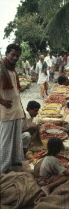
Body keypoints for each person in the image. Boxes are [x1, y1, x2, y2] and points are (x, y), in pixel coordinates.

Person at [0, 43, 25, 173]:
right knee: (5, 142)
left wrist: (21, 109)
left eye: (17, 56)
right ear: (7, 54)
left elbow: (16, 90)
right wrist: (2, 101)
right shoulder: (1, 68)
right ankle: (2, 169)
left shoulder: (12, 69)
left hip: (16, 110)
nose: (15, 58)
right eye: (13, 55)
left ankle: (15, 162)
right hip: (6, 111)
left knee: (16, 140)